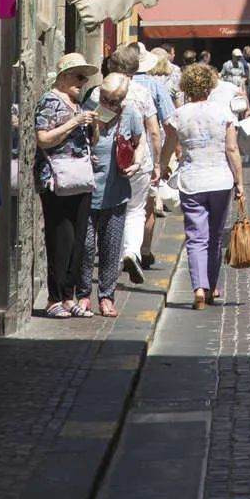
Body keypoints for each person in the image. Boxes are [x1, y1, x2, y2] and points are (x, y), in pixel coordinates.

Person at [160, 62, 246, 309]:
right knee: (215, 236)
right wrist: (239, 182)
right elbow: (232, 149)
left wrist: (161, 167)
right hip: (220, 179)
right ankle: (211, 286)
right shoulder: (223, 113)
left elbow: (169, 147)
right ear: (210, 86)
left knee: (196, 237)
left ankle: (198, 287)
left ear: (186, 87)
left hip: (192, 179)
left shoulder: (179, 115)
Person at [34, 53, 99, 316]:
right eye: (78, 76)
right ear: (63, 76)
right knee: (61, 239)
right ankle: (54, 299)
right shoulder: (50, 101)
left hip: (79, 178)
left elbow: (81, 141)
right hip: (57, 180)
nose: (83, 81)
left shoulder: (77, 104)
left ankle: (70, 298)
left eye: (85, 77)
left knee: (78, 241)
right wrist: (74, 122)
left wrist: (91, 129)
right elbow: (43, 138)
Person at [77, 72, 144, 317]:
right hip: (86, 189)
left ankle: (106, 297)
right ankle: (83, 295)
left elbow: (140, 142)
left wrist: (136, 164)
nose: (108, 105)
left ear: (122, 100)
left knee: (110, 248)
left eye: (114, 102)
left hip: (115, 191)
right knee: (84, 246)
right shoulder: (87, 109)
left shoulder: (130, 114)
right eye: (105, 99)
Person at [103, 44, 161, 284]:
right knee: (136, 210)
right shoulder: (142, 92)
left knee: (110, 211)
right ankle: (131, 252)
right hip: (137, 159)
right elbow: (154, 132)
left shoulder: (101, 90)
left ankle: (110, 260)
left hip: (106, 158)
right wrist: (157, 164)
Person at [134, 45, 177, 269]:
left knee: (122, 207)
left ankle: (124, 250)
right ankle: (144, 251)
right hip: (148, 156)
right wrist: (164, 160)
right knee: (147, 206)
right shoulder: (155, 86)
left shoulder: (112, 84)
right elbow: (169, 126)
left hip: (118, 156)